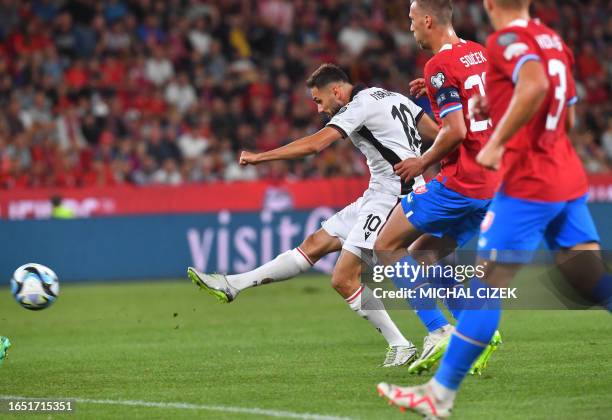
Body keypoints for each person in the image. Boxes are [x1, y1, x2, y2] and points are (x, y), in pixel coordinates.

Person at [377, 0, 611, 417]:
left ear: (489, 5)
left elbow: (524, 92)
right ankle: (447, 367)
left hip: (514, 179)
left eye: (412, 19)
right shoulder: (541, 42)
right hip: (563, 173)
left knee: (413, 258)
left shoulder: (508, 41)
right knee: (588, 277)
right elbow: (565, 119)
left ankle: (440, 360)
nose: (410, 26)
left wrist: (495, 142)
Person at [188, 63, 439, 367]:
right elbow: (438, 133)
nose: (320, 109)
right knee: (314, 244)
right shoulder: (394, 97)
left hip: (392, 198)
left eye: (319, 101)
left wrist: (260, 157)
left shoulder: (358, 106)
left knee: (344, 278)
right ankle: (233, 285)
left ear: (336, 91)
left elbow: (314, 145)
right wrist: (424, 164)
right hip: (379, 193)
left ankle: (410, 340)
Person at [373, 0, 501, 376]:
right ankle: (475, 334)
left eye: (412, 20)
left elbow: (457, 131)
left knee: (386, 246)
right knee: (426, 255)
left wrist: (421, 161)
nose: (410, 28)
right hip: (490, 182)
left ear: (428, 20)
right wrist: (433, 93)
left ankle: (438, 330)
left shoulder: (439, 65)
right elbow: (479, 111)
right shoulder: (477, 53)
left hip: (460, 181)